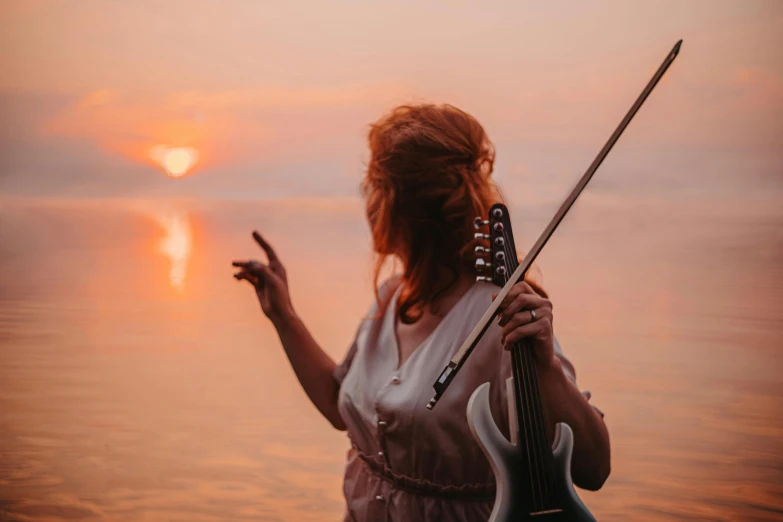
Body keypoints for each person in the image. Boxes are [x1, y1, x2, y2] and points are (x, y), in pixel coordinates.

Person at [232, 104, 610, 521]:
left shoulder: (500, 316)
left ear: (404, 208)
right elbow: (341, 408)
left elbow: (593, 469)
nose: (366, 199)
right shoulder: (392, 296)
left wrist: (545, 366)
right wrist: (283, 316)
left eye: (373, 185)